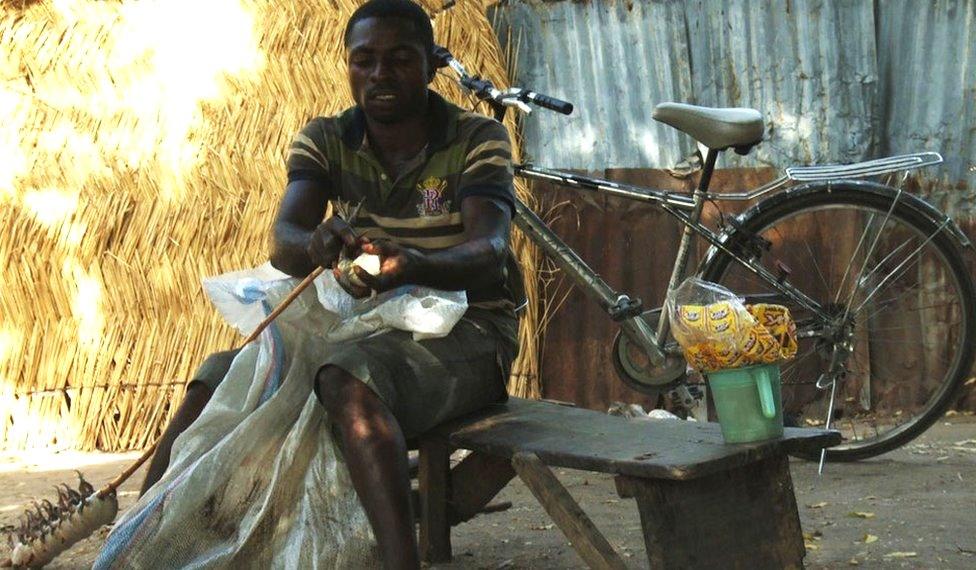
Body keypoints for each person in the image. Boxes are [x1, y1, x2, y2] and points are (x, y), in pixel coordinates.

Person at [140, 1, 521, 567]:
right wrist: (314, 245)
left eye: (398, 60)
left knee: (350, 382)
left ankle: (400, 563)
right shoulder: (326, 139)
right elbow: (285, 239)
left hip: (471, 332)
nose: (379, 75)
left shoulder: (476, 138)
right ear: (348, 66)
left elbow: (489, 251)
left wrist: (413, 263)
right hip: (362, 330)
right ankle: (140, 537)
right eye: (363, 61)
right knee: (216, 378)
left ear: (429, 66)